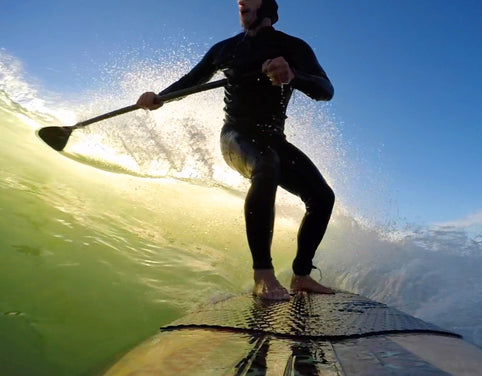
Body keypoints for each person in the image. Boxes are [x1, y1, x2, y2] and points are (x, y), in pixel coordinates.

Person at [137, 0, 335, 300]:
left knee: (322, 198)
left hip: (274, 139)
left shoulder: (293, 48)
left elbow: (325, 89)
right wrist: (160, 97)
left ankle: (302, 275)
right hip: (236, 137)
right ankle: (262, 276)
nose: (240, 1)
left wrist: (294, 75)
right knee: (266, 167)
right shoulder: (225, 49)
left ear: (267, 7)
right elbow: (193, 80)